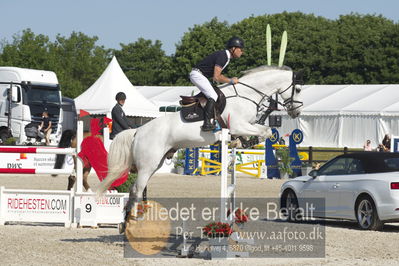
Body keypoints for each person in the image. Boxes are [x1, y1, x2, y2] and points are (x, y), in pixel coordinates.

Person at [189, 36, 244, 131]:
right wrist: (231, 81)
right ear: (233, 48)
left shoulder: (225, 56)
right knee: (213, 95)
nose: (242, 52)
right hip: (197, 75)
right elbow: (217, 77)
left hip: (200, 75)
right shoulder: (224, 56)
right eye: (240, 49)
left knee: (214, 93)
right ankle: (206, 124)